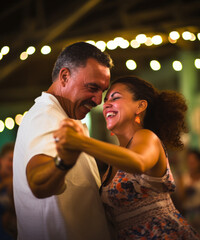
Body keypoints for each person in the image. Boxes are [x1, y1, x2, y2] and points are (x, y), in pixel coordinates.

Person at [54, 76, 200, 239]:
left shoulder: (147, 137)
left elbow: (138, 162)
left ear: (140, 105)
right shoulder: (115, 158)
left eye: (115, 98)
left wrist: (81, 142)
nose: (106, 104)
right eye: (106, 99)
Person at [13, 42, 113, 240]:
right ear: (65, 77)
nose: (98, 100)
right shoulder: (46, 117)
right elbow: (37, 183)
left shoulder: (64, 119)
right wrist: (63, 161)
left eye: (103, 91)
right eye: (92, 88)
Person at [176, 148, 200, 234]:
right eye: (189, 162)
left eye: (193, 162)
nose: (191, 165)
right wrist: (186, 190)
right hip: (187, 214)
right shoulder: (183, 178)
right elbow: (181, 200)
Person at [0, 142, 17, 240]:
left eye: (15, 160)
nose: (12, 164)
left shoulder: (18, 183)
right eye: (10, 160)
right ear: (1, 160)